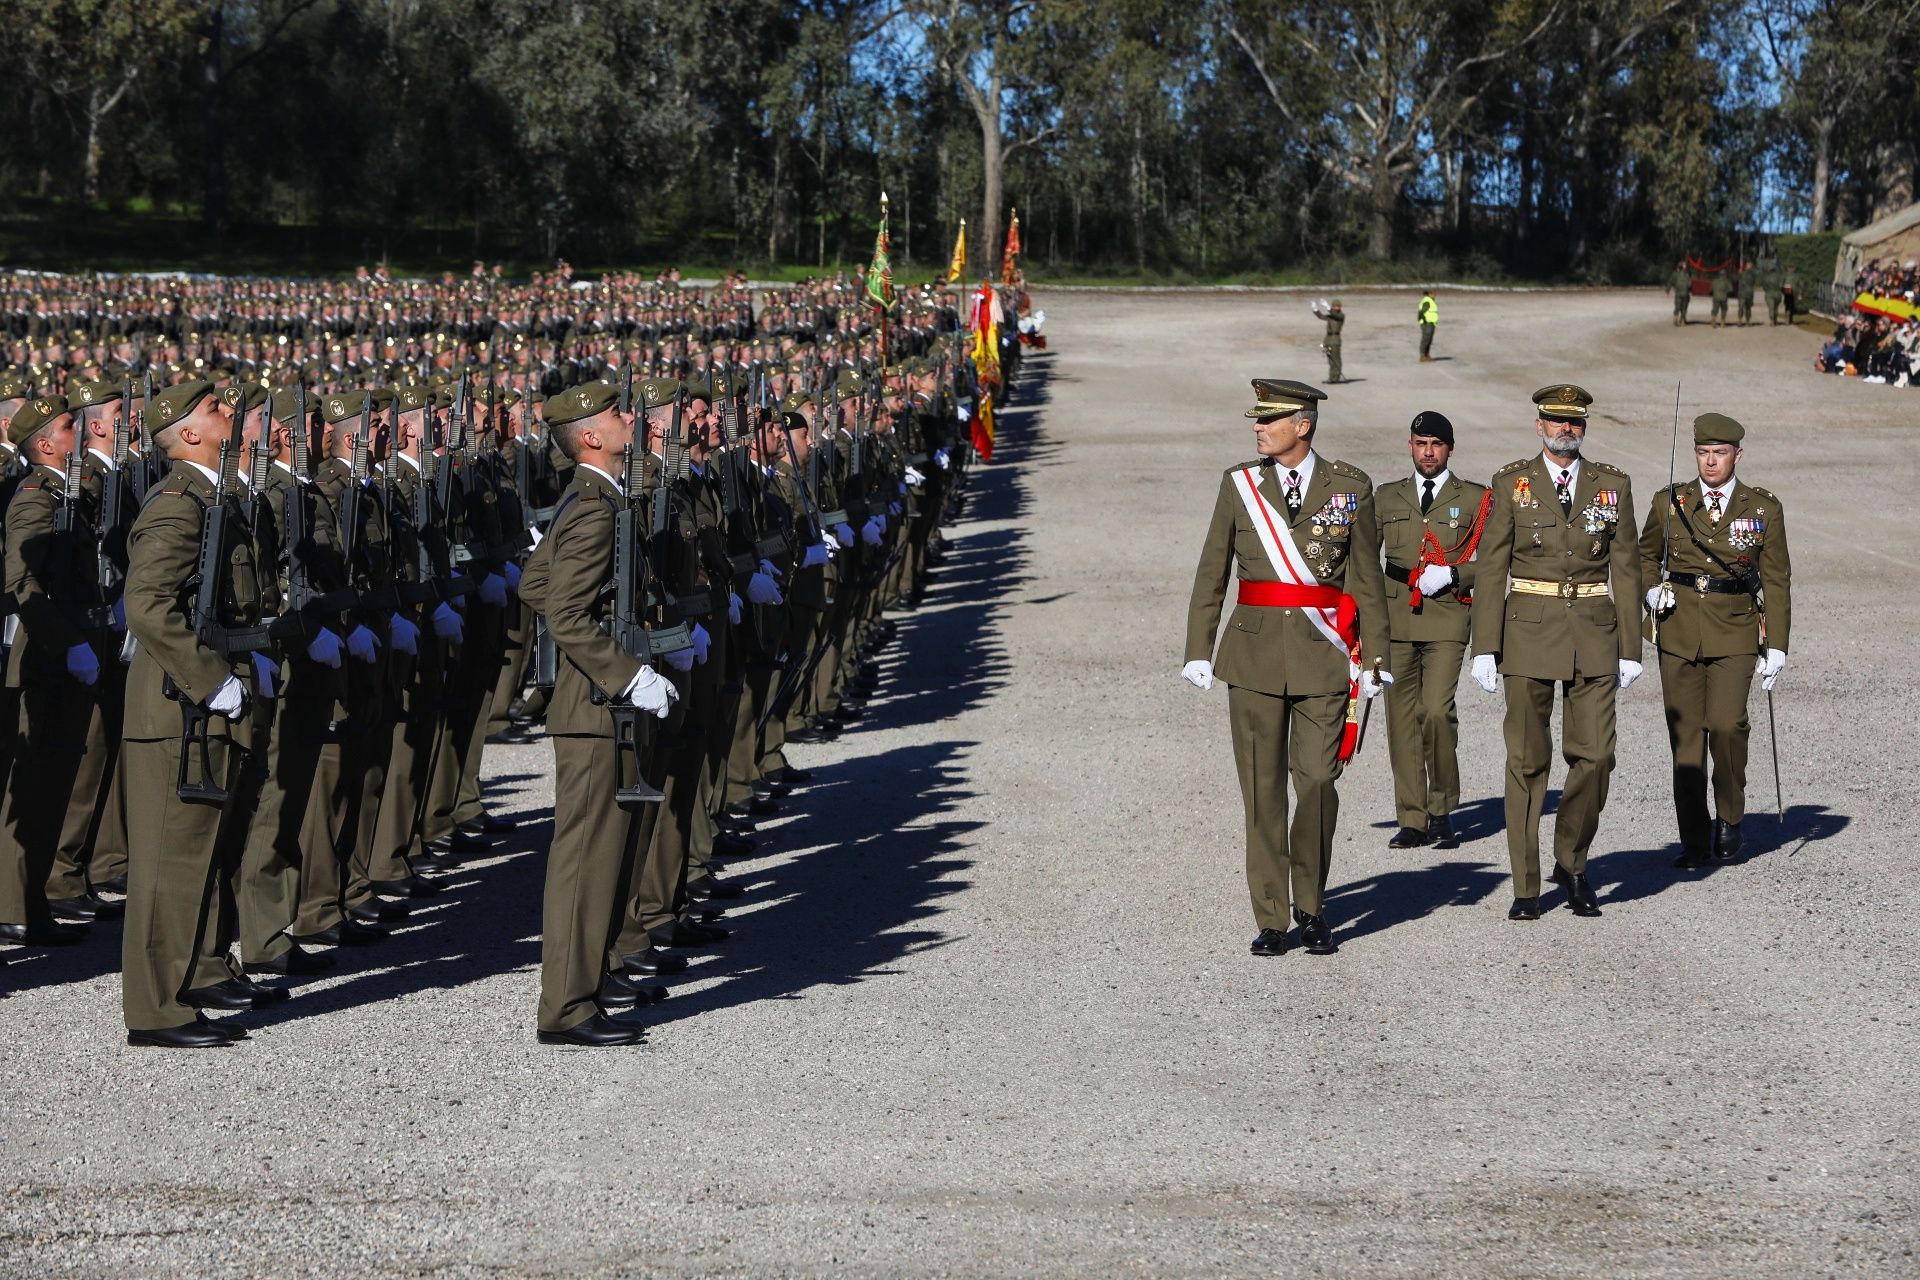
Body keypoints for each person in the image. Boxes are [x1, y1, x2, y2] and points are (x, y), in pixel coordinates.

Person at [1183, 378, 1390, 957]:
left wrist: (1375, 658)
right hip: (1251, 656)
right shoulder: (1239, 484)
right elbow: (1212, 571)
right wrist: (1198, 648)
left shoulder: (1351, 487)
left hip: (1324, 657)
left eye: (1269, 420)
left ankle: (1313, 905)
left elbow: (1366, 582)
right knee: (1262, 789)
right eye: (1257, 419)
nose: (1257, 428)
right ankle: (1274, 915)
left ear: (1303, 424)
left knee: (1319, 783)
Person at [517, 378, 676, 1046]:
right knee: (586, 857)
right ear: (589, 436)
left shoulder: (596, 498)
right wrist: (628, 672)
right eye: (615, 413)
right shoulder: (594, 506)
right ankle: (566, 1007)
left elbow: (534, 582)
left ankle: (590, 983)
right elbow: (562, 610)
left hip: (601, 703)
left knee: (612, 852)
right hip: (594, 707)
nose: (628, 418)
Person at [1468, 384, 1642, 922]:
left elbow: (1627, 568)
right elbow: (1492, 565)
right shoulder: (1510, 483)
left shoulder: (1612, 484)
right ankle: (1526, 884)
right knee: (1526, 762)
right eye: (1555, 421)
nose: (1566, 429)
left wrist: (1632, 647)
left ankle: (1572, 858)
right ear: (1538, 425)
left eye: (1575, 422)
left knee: (1596, 758)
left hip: (1593, 632)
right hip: (1528, 632)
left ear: (1584, 426)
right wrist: (1485, 646)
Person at [1639, 413, 1791, 868]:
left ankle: (1730, 815)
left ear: (1737, 456)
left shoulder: (1762, 508)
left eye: (1720, 453)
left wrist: (1778, 645)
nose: (1710, 462)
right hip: (1679, 628)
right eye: (1703, 453)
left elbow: (1777, 580)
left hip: (1735, 629)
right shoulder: (1670, 502)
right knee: (1685, 739)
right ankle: (1693, 838)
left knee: (1726, 726)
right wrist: (1650, 590)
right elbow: (1646, 554)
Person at [1374, 411, 1486, 850]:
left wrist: (1456, 575)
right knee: (1400, 719)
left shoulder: (1476, 498)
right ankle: (1412, 817)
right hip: (1395, 617)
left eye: (1436, 444)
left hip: (1447, 615)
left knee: (1436, 711)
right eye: (1421, 443)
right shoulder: (1387, 496)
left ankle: (1442, 807)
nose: (1428, 452)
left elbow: (1494, 560)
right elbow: (1366, 559)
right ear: (1410, 446)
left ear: (1450, 449)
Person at [1312, 299, 1344, 383]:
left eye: (1337, 306)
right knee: (1330, 359)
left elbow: (1335, 315)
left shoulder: (1341, 316)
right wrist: (1315, 309)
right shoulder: (1331, 316)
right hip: (1328, 339)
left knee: (1336, 359)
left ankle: (1336, 378)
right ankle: (1331, 377)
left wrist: (1327, 307)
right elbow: (1321, 316)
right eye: (1334, 306)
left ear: (1340, 307)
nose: (1335, 307)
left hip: (1335, 339)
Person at [1417, 290, 1438, 362]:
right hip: (1427, 323)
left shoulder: (1431, 300)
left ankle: (1427, 355)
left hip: (1431, 323)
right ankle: (1422, 356)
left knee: (1429, 339)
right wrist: (1423, 320)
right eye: (1433, 293)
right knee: (1426, 338)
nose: (1435, 294)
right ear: (1429, 294)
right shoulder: (1427, 301)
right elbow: (1422, 312)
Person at [1670, 262, 1693, 327]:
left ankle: (1675, 319)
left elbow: (1672, 281)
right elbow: (1689, 285)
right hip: (1685, 294)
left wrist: (1669, 289)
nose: (1686, 266)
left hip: (1678, 293)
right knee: (1684, 308)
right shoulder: (1687, 275)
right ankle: (1682, 321)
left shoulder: (1676, 274)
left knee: (1677, 307)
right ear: (1683, 267)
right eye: (1685, 266)